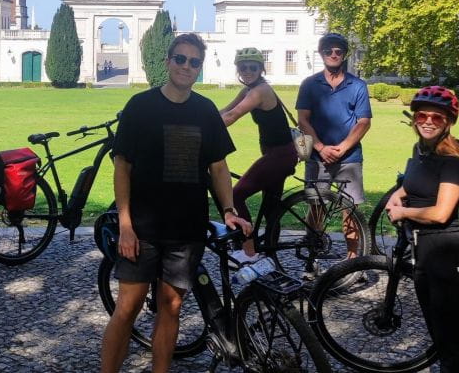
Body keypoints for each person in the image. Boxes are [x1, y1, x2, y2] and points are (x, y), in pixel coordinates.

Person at [100, 33, 251, 373]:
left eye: (193, 62)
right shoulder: (140, 106)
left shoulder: (205, 110)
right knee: (127, 308)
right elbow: (122, 166)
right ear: (167, 61)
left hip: (186, 229)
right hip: (142, 228)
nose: (186, 66)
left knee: (171, 306)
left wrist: (228, 210)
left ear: (199, 68)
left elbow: (218, 166)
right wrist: (125, 225)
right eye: (180, 59)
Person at [385, 86, 459, 373]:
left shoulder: (451, 162)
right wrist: (398, 193)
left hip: (446, 254)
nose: (427, 121)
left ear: (448, 122)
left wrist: (403, 212)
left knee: (453, 344)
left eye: (436, 118)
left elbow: (440, 213)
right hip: (423, 250)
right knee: (442, 336)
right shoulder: (421, 151)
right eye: (422, 116)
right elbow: (416, 181)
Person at [295, 32, 371, 265]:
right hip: (318, 157)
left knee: (351, 210)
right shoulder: (310, 84)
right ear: (321, 53)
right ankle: (312, 257)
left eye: (338, 50)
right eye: (328, 50)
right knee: (316, 207)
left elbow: (364, 121)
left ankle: (352, 261)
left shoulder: (357, 85)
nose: (333, 54)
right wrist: (320, 146)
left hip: (349, 158)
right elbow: (303, 119)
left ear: (344, 54)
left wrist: (342, 147)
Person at [219, 47, 299, 264]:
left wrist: (204, 131)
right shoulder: (248, 89)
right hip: (281, 153)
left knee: (236, 195)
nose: (247, 71)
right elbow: (225, 110)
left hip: (280, 155)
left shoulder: (260, 91)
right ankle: (269, 254)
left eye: (252, 67)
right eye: (242, 67)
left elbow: (233, 115)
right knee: (271, 209)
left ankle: (249, 253)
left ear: (261, 69)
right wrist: (196, 118)